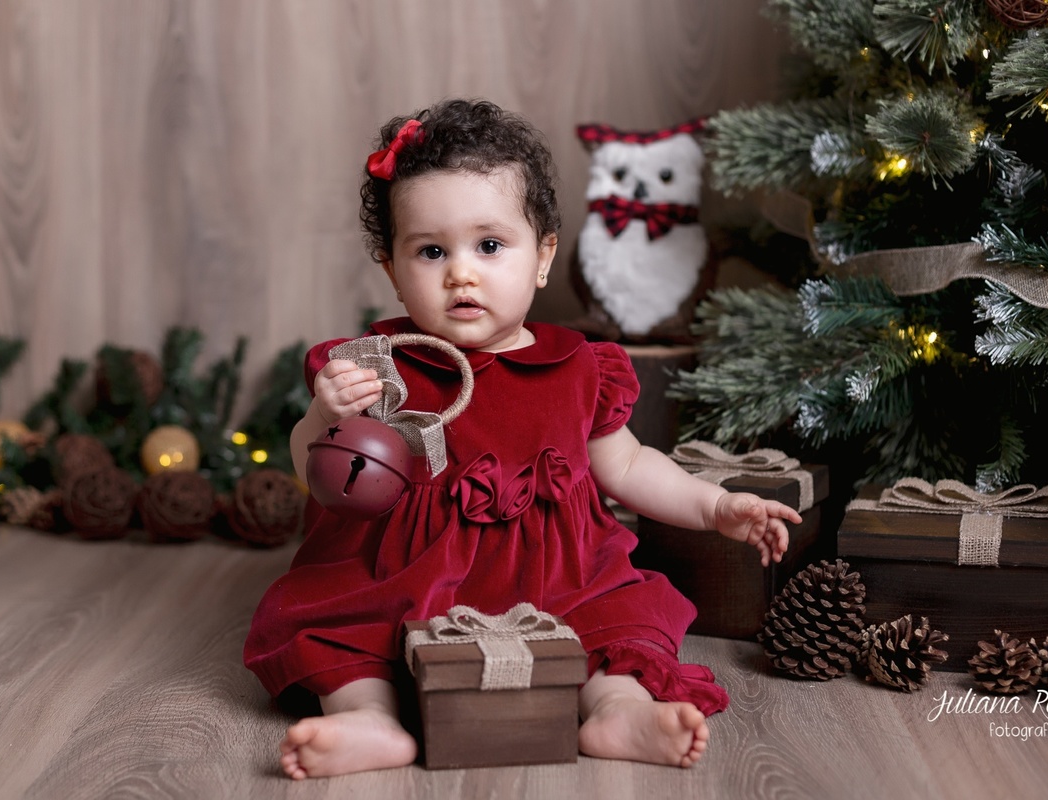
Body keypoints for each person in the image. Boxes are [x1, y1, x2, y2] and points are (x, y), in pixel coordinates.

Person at [244, 98, 801, 780]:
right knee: (343, 629)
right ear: (391, 269)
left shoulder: (578, 367)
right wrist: (322, 419)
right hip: (405, 571)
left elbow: (625, 464)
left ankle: (614, 711)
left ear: (542, 258)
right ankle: (370, 718)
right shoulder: (376, 366)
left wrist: (715, 506)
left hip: (557, 574)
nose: (461, 272)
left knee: (611, 623)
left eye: (489, 245)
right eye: (430, 251)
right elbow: (319, 471)